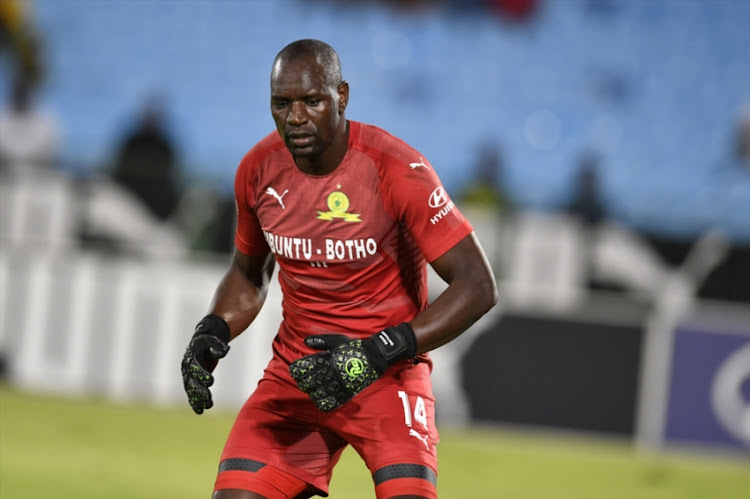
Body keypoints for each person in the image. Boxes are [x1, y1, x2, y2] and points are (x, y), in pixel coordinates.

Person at [181, 39, 497, 499]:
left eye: (312, 101)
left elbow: (478, 285)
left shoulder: (397, 168)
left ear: (342, 96)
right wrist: (213, 328)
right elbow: (249, 275)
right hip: (298, 378)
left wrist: (378, 352)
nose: (295, 118)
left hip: (387, 376)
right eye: (281, 104)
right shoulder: (256, 171)